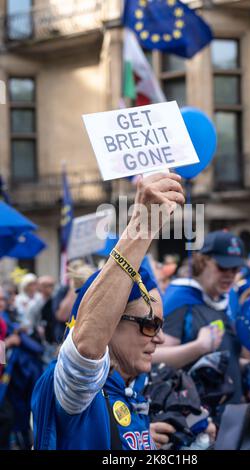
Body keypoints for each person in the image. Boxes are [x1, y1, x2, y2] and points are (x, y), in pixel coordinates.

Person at [31, 172, 185, 450]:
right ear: (110, 324)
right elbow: (87, 349)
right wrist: (143, 227)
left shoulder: (136, 388)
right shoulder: (77, 392)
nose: (160, 338)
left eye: (160, 326)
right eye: (149, 325)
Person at [153, 230, 245, 404]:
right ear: (203, 262)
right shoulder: (181, 298)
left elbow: (224, 357)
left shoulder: (228, 298)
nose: (230, 274)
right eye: (223, 267)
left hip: (233, 412)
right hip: (197, 414)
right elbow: (153, 356)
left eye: (236, 268)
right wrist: (198, 347)